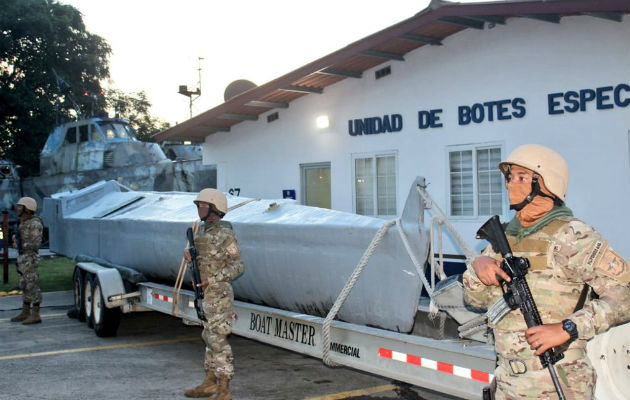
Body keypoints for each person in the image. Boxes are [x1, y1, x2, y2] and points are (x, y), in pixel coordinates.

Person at [463, 144, 630, 399]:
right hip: (508, 382)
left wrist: (568, 327)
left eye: (521, 178)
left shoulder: (573, 236)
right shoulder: (504, 237)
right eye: (509, 178)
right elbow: (473, 300)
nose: (510, 184)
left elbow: (625, 295)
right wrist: (477, 269)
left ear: (546, 184)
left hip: (559, 381)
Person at [184, 189, 243, 400]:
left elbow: (238, 266)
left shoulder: (225, 234)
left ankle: (224, 389)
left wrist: (213, 280)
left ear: (214, 208)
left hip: (219, 295)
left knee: (217, 340)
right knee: (208, 338)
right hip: (205, 295)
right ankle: (210, 383)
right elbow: (205, 262)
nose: (199, 209)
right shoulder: (202, 232)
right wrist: (191, 259)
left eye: (203, 205)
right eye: (198, 205)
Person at [10, 197, 44, 325]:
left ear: (27, 209)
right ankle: (25, 311)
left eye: (20, 207)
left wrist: (21, 244)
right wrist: (16, 241)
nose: (18, 209)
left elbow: (35, 243)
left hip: (30, 257)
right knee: (24, 285)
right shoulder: (24, 222)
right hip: (23, 257)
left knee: (32, 285)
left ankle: (35, 314)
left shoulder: (34, 223)